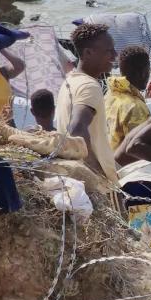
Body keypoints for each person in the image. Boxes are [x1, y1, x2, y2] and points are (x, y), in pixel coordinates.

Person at [56, 23, 118, 181]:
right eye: (109, 51)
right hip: (98, 183)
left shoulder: (69, 81)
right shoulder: (89, 86)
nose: (115, 55)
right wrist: (96, 173)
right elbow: (76, 128)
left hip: (75, 173)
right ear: (88, 53)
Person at [106, 45, 151, 149]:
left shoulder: (110, 94)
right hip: (123, 165)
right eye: (148, 71)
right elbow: (139, 149)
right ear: (142, 73)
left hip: (108, 157)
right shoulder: (135, 107)